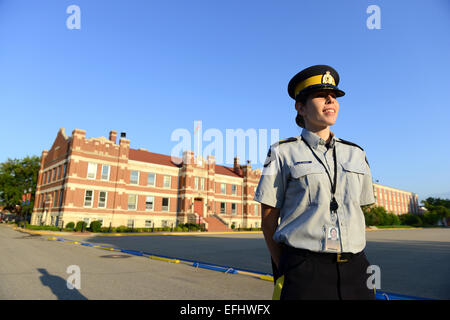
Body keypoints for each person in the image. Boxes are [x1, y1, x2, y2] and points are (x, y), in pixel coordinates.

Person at [254, 65, 376, 300]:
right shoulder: (281, 153)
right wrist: (287, 267)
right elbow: (268, 220)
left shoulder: (357, 154)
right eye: (321, 95)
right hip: (305, 271)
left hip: (357, 269)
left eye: (335, 96)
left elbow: (359, 209)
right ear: (300, 107)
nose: (331, 99)